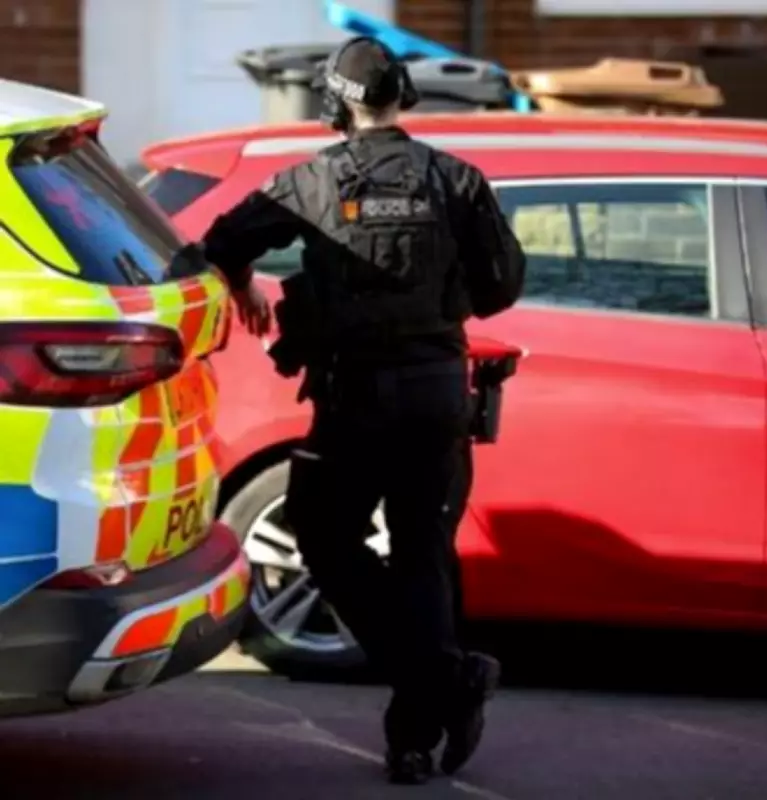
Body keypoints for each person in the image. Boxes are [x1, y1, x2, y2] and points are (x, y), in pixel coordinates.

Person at [199, 35, 526, 785]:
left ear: (334, 105)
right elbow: (501, 286)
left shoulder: (312, 180)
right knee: (423, 557)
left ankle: (436, 687)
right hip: (440, 397)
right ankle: (422, 722)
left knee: (324, 537)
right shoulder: (457, 179)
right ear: (403, 95)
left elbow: (222, 240)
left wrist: (246, 279)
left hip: (353, 402)